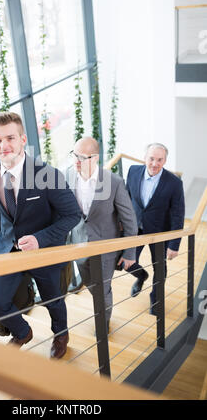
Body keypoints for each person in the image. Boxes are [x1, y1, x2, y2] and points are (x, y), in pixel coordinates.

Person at [0, 112, 81, 359]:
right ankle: (23, 332)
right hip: (8, 249)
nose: (4, 146)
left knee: (53, 301)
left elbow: (73, 215)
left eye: (10, 138)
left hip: (44, 251)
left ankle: (61, 334)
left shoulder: (48, 175)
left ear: (23, 139)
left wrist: (40, 239)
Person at [66, 137, 138, 330]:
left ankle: (103, 324)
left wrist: (129, 253)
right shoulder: (68, 176)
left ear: (95, 158)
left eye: (82, 157)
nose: (76, 161)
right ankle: (102, 303)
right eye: (74, 155)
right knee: (93, 286)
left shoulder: (113, 182)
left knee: (103, 289)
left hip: (106, 248)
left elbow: (130, 220)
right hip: (79, 246)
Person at [125, 143, 185, 314]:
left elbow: (178, 214)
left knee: (160, 267)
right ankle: (141, 276)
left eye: (160, 160)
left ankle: (156, 300)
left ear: (165, 161)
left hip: (159, 232)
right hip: (135, 229)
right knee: (126, 263)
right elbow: (126, 197)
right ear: (145, 158)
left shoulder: (174, 183)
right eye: (151, 158)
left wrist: (174, 244)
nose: (154, 164)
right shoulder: (133, 171)